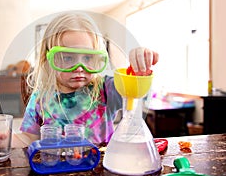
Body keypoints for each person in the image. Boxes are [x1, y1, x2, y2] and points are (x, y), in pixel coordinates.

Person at [18, 12, 158, 146]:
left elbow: (138, 95)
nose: (79, 68)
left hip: (100, 169)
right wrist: (2, 139)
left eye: (87, 58)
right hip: (56, 169)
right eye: (67, 58)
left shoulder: (106, 89)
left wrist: (139, 71)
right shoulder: (40, 99)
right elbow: (27, 138)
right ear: (48, 59)